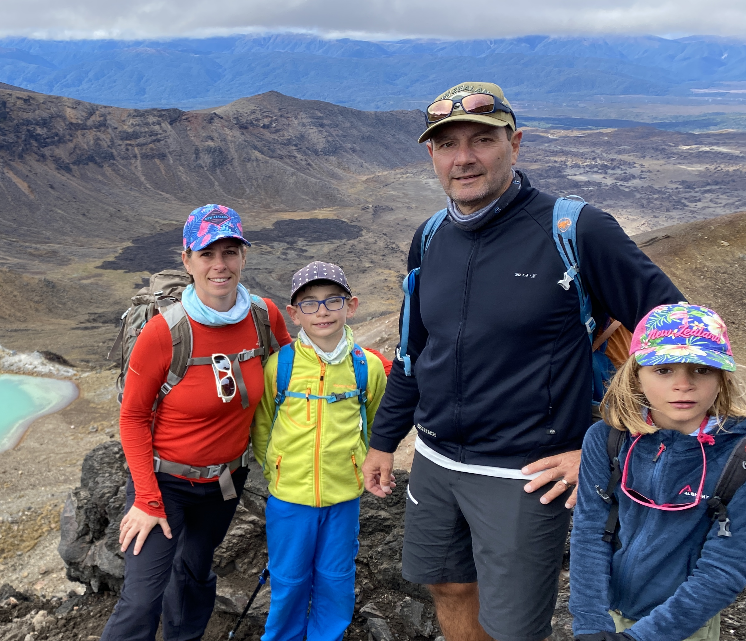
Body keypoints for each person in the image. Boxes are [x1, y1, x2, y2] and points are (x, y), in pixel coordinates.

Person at [360, 81, 685, 641]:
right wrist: (384, 440)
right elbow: (415, 353)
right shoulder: (430, 237)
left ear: (516, 143)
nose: (464, 158)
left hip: (527, 474)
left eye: (481, 140)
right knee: (448, 586)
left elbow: (681, 339)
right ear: (431, 155)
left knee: (513, 626)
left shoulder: (577, 231)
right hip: (437, 461)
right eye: (447, 144)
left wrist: (612, 451)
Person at [100, 204, 292, 641]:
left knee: (194, 574)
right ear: (187, 260)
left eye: (229, 251)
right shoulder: (164, 332)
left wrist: (373, 364)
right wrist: (146, 498)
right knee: (143, 596)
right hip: (163, 484)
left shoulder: (264, 316)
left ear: (244, 256)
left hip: (225, 482)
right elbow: (131, 417)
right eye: (207, 253)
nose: (219, 265)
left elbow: (299, 366)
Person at [570, 303, 746, 641]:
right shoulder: (606, 438)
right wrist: (590, 622)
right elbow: (590, 533)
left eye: (701, 369)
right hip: (609, 609)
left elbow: (724, 568)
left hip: (684, 623)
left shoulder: (739, 457)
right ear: (635, 374)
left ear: (722, 376)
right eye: (664, 370)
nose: (683, 385)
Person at [251, 261, 389, 641]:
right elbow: (263, 427)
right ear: (294, 314)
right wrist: (277, 472)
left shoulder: (368, 367)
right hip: (289, 499)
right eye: (309, 303)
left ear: (352, 305)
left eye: (333, 300)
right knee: (289, 578)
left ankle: (328, 636)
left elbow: (376, 426)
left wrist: (362, 469)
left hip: (344, 497)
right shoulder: (280, 367)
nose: (323, 310)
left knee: (336, 577)